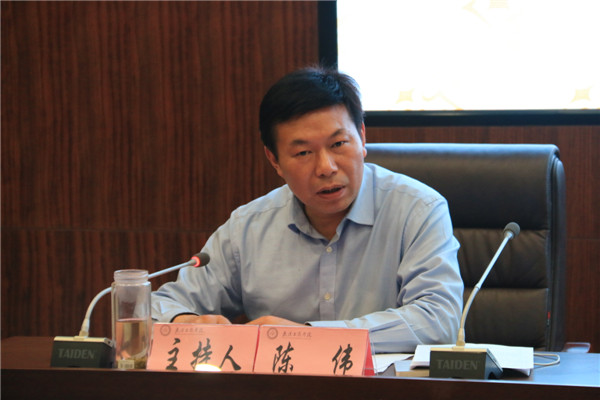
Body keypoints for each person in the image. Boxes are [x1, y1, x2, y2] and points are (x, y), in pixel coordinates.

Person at [151, 67, 463, 353]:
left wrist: (309, 337)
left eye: (338, 144)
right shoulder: (249, 227)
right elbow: (158, 307)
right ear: (274, 161)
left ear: (362, 137)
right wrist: (183, 322)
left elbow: (438, 321)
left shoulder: (417, 210)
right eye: (303, 153)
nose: (326, 167)